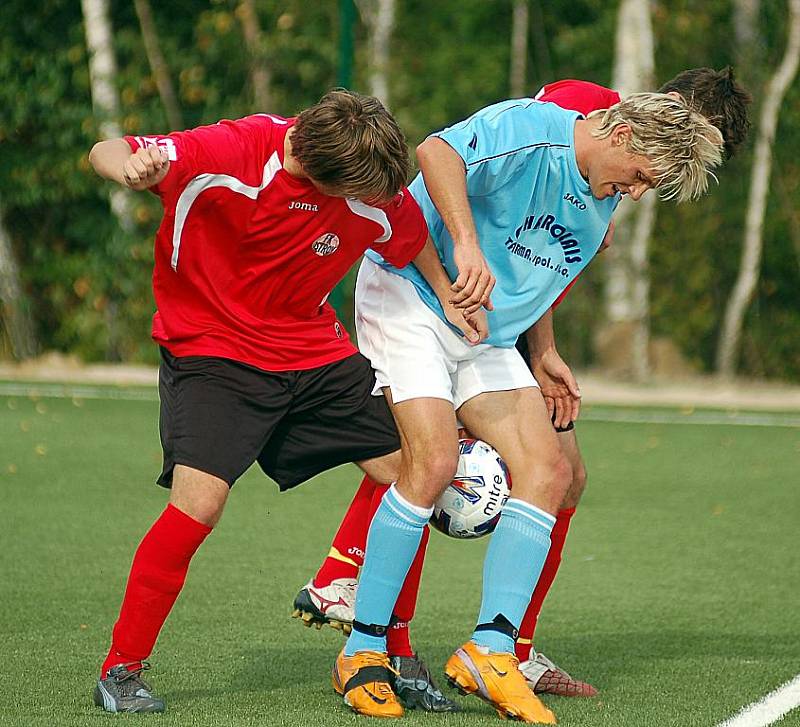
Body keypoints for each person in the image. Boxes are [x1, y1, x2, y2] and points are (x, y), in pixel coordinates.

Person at [294, 67, 752, 703]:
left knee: (551, 470)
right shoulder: (538, 127)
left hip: (484, 331)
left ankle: (493, 649)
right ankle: (364, 647)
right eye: (644, 177)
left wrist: (544, 351)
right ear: (623, 133)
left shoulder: (603, 201)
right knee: (432, 463)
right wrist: (466, 244)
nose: (640, 193)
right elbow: (436, 151)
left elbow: (538, 272)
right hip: (414, 296)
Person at [86, 89, 484, 714]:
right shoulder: (227, 153)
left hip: (312, 350)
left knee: (416, 478)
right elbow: (110, 149)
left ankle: (393, 653)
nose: (375, 202)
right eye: (358, 191)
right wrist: (126, 166)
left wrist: (449, 294)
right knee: (200, 504)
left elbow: (408, 238)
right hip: (213, 352)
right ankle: (122, 667)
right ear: (314, 168)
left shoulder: (368, 184)